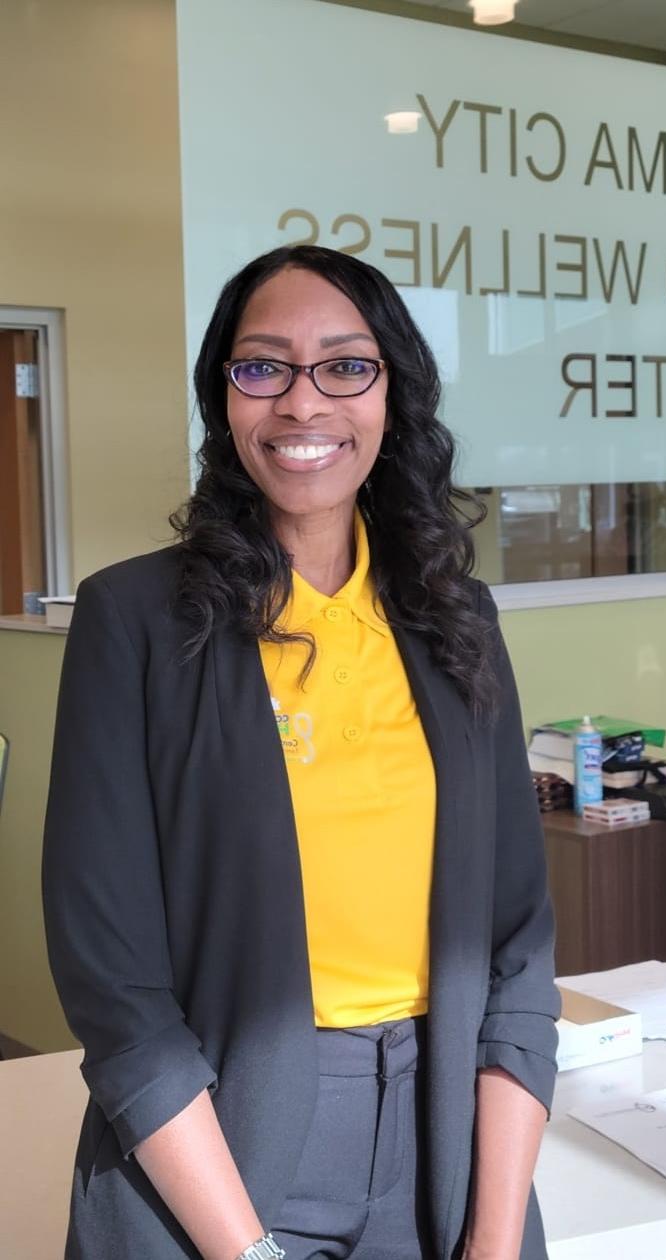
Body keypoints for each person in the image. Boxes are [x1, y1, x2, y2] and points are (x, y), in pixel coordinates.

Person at [42, 245, 560, 1260]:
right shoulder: (136, 620)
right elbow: (115, 986)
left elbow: (518, 948)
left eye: (345, 366)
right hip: (218, 1152)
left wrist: (494, 1238)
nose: (302, 403)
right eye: (263, 366)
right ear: (223, 400)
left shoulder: (456, 620)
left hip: (444, 1138)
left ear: (393, 396)